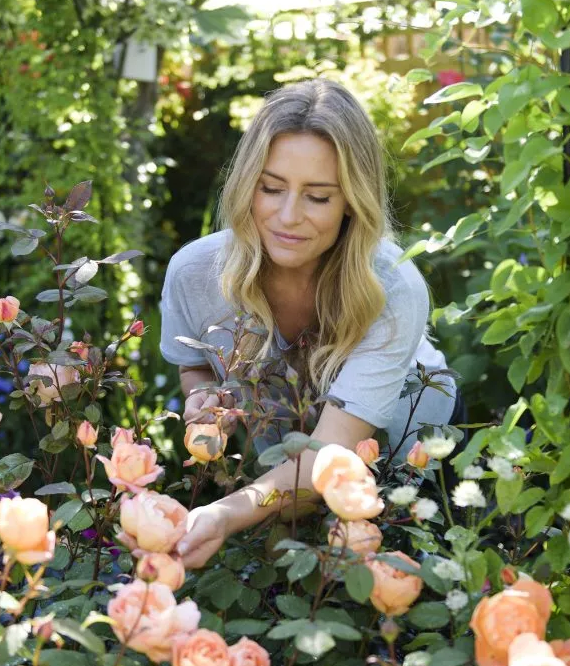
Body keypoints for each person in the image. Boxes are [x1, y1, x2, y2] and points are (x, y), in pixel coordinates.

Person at [159, 79, 460, 568]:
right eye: (271, 188)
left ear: (351, 204)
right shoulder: (195, 273)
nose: (288, 215)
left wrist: (223, 514)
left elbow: (329, 454)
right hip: (279, 472)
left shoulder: (392, 288)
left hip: (411, 463)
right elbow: (195, 367)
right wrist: (203, 398)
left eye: (318, 197)